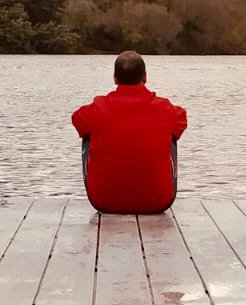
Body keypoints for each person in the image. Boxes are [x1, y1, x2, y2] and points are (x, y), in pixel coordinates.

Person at [71, 51, 188, 214]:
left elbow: (77, 119)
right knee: (171, 135)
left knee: (88, 133)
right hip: (157, 202)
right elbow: (181, 120)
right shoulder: (166, 109)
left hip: (104, 201)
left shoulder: (98, 108)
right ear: (145, 77)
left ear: (115, 78)